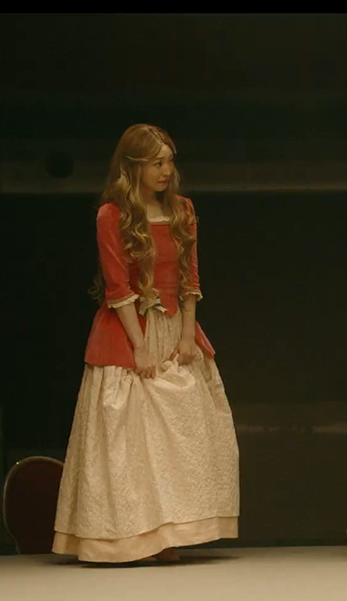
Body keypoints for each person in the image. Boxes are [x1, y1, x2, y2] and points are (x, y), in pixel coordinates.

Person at [53, 124, 240, 564]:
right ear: (133, 166)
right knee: (130, 441)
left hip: (174, 327)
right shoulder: (112, 215)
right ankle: (127, 537)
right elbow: (118, 287)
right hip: (129, 330)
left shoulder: (182, 210)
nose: (166, 170)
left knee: (180, 437)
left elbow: (190, 279)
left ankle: (170, 533)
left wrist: (187, 335)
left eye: (169, 161)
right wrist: (139, 345)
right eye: (157, 162)